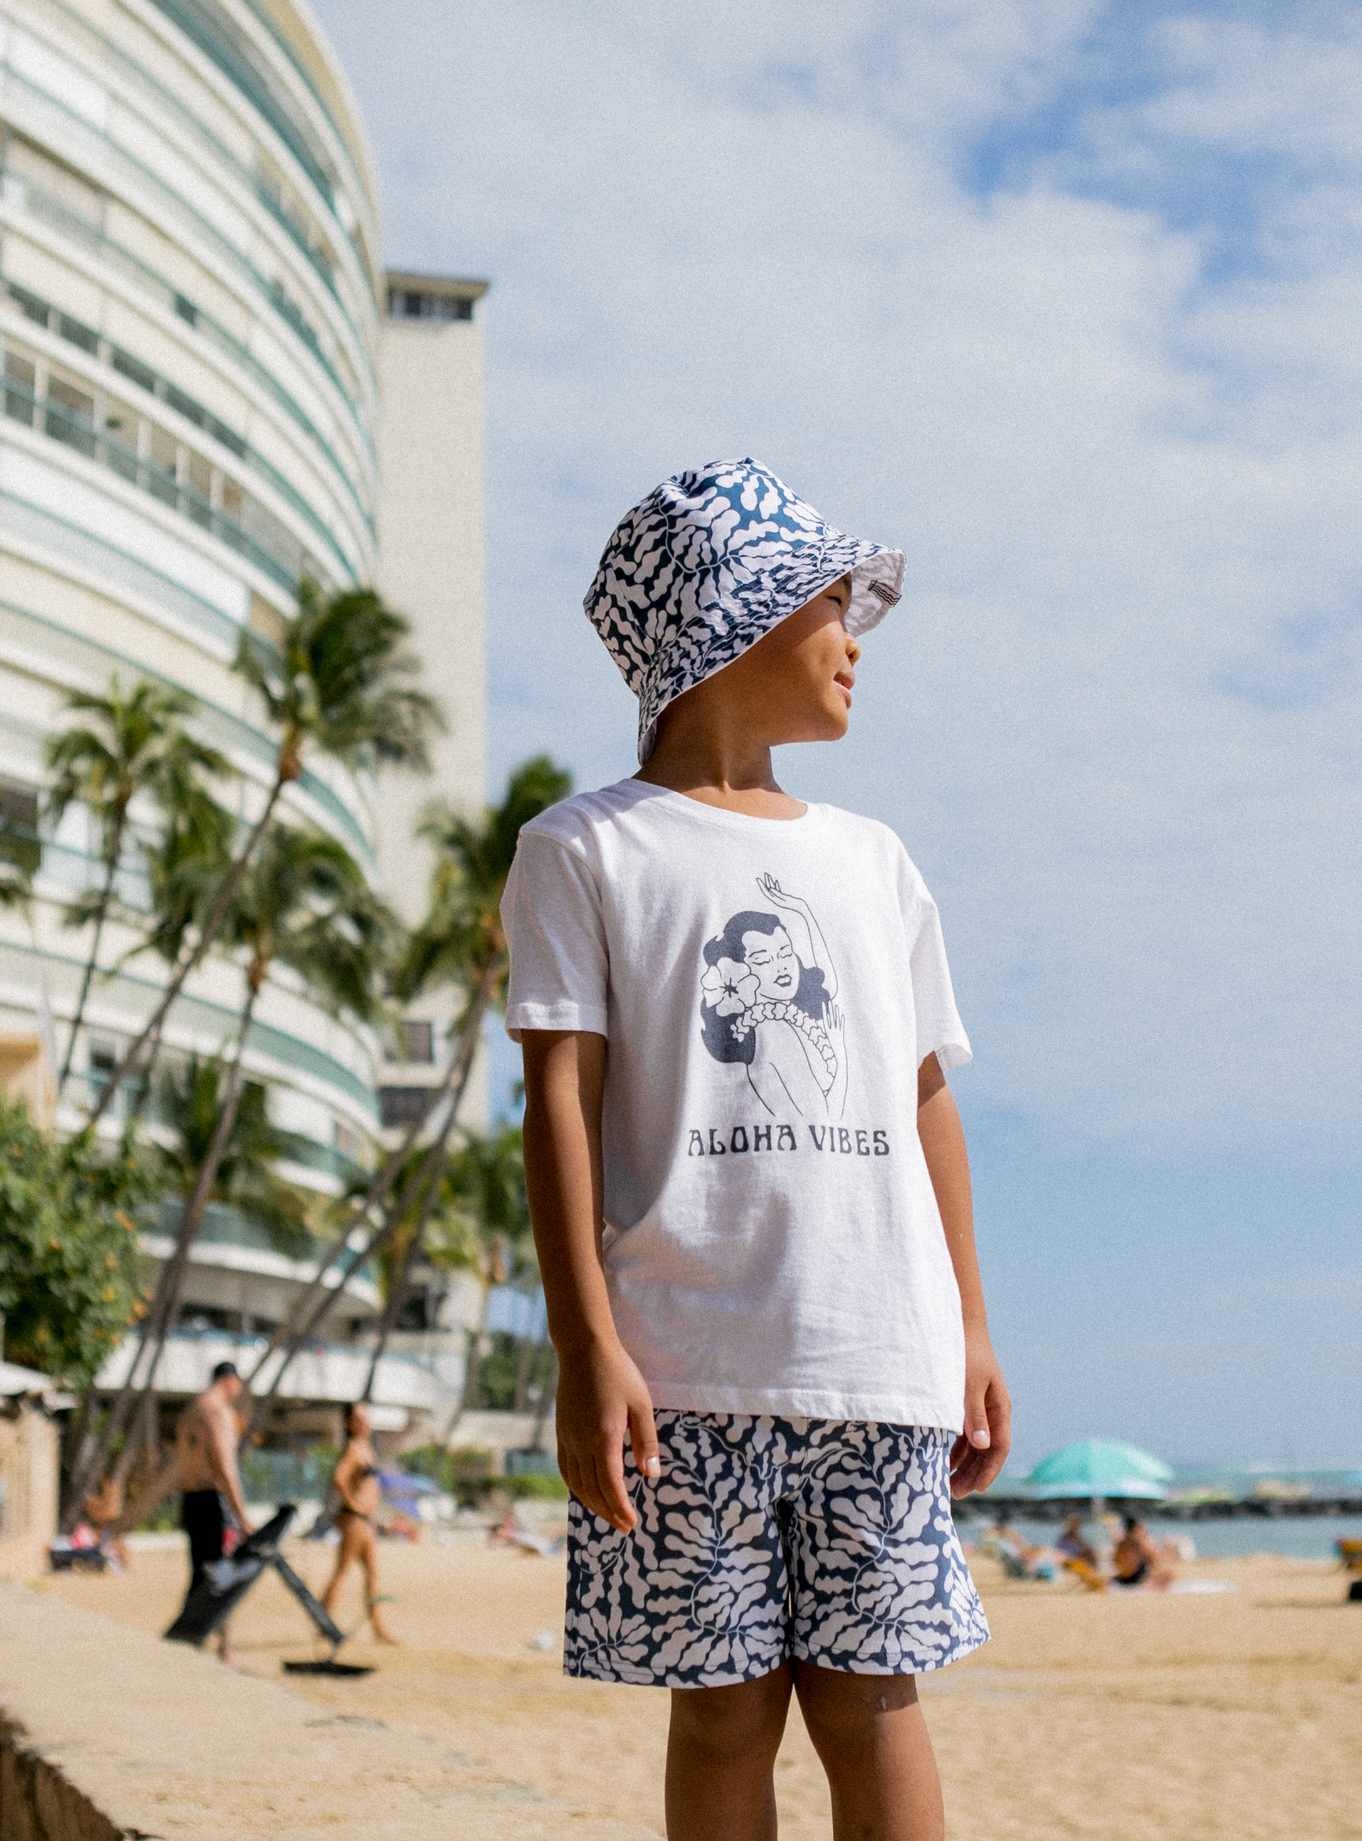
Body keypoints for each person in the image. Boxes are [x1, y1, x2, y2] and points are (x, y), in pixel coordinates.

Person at [504, 459, 1011, 1841]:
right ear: (734, 621)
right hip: (682, 1365)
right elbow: (557, 1095)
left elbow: (922, 1103)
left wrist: (967, 1323)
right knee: (722, 1709)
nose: (856, 639)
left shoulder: (874, 859)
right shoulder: (584, 849)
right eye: (831, 607)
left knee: (873, 1700)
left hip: (874, 1352)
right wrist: (582, 1344)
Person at [174, 1360, 254, 1663]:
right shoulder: (217, 1412)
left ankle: (188, 1642)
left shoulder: (189, 1411)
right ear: (230, 1380)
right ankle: (225, 1651)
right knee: (222, 1576)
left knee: (200, 1574)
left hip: (191, 1499)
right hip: (212, 1502)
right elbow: (224, 1467)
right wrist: (242, 1516)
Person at [320, 1403, 399, 1643]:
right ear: (350, 1424)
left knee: (372, 1577)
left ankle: (378, 1630)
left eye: (366, 1419)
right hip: (355, 1521)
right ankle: (323, 1624)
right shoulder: (354, 1450)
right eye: (359, 1420)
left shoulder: (366, 1448)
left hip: (366, 1522)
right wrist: (353, 1503)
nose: (365, 1424)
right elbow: (339, 1477)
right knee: (341, 1573)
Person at [1111, 1514, 1175, 1590]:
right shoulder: (1140, 1541)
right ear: (1137, 1528)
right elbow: (1156, 1557)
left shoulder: (1122, 1541)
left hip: (1122, 1577)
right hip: (1138, 1578)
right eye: (1141, 1527)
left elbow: (1115, 1560)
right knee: (1169, 1575)